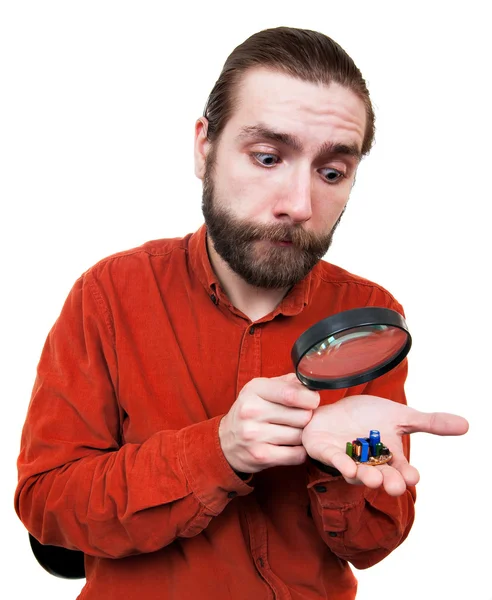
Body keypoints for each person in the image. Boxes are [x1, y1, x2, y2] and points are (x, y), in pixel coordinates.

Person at [14, 26, 468, 600]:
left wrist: (351, 453)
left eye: (332, 172)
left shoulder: (367, 314)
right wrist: (219, 449)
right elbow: (48, 509)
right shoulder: (110, 294)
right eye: (268, 157)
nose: (300, 205)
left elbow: (376, 538)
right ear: (205, 146)